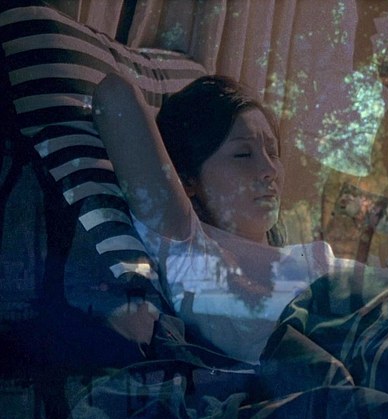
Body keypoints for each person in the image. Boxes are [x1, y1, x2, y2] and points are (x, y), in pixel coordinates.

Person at [93, 73, 359, 364]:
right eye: (243, 154)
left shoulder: (302, 256)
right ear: (188, 181)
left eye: (272, 152)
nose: (269, 170)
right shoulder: (192, 252)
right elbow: (115, 95)